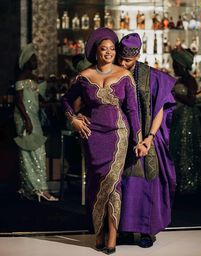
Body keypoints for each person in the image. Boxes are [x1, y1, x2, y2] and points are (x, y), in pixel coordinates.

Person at [61, 27, 146, 254]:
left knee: (113, 184)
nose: (108, 52)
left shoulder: (124, 75)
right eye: (103, 49)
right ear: (95, 52)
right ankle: (97, 231)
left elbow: (132, 110)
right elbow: (66, 101)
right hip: (92, 136)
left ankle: (111, 238)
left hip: (119, 134)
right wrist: (74, 120)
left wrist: (138, 140)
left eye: (111, 48)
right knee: (96, 183)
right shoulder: (84, 77)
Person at [117, 33, 176, 248]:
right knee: (123, 182)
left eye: (128, 60)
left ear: (138, 55)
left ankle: (146, 231)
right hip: (123, 137)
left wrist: (150, 137)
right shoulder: (114, 73)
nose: (123, 63)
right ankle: (123, 229)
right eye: (121, 59)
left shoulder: (153, 77)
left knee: (147, 182)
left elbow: (160, 108)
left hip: (148, 137)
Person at [14, 43, 58, 202]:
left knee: (37, 151)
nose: (36, 63)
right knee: (30, 152)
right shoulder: (21, 78)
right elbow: (19, 102)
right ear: (26, 62)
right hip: (25, 117)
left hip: (33, 115)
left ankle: (34, 188)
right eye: (33, 60)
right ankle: (38, 188)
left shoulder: (32, 78)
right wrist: (26, 120)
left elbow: (37, 98)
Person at [170, 47, 201, 194]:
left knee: (185, 149)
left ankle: (187, 183)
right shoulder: (180, 80)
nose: (173, 67)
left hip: (186, 118)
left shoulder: (190, 81)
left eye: (175, 64)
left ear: (182, 65)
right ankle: (178, 182)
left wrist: (175, 95)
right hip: (178, 118)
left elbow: (191, 101)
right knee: (177, 149)